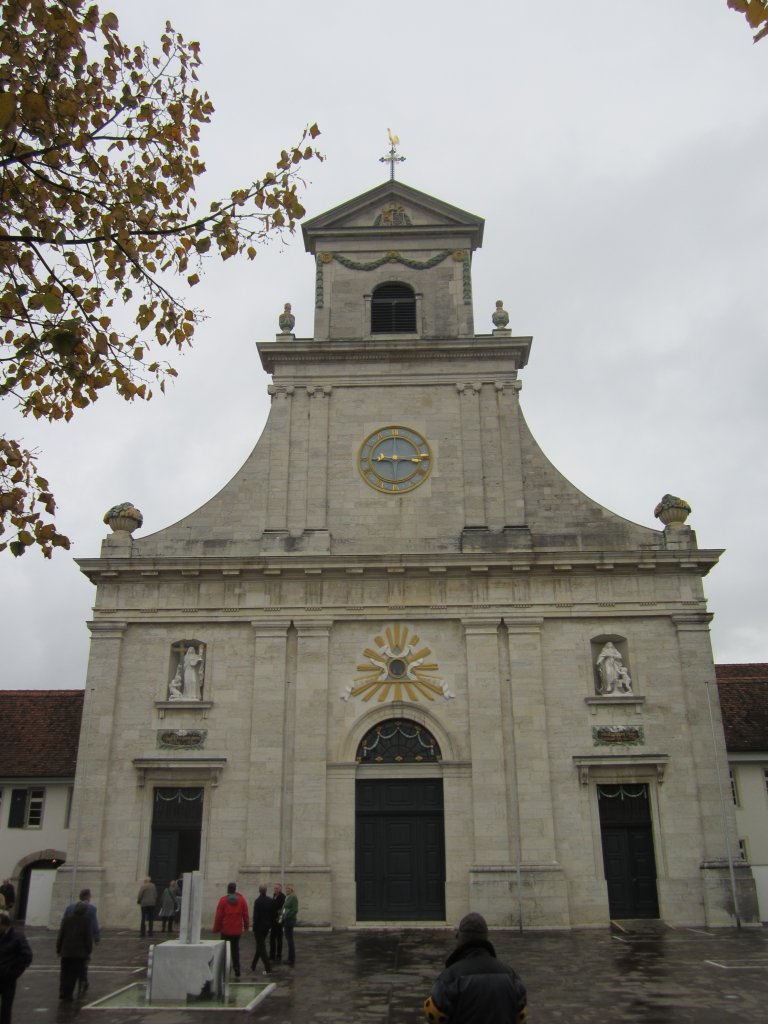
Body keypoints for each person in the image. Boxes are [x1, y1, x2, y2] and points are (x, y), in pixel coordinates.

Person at [424, 912, 527, 1024]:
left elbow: (434, 1017)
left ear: (460, 938)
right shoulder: (511, 975)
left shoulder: (450, 977)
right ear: (486, 938)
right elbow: (521, 1017)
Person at [63, 889, 100, 996]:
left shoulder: (69, 908)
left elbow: (64, 923)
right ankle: (83, 981)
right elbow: (94, 924)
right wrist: (97, 938)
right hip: (83, 940)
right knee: (83, 961)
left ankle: (65, 989)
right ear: (88, 897)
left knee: (67, 965)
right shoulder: (91, 909)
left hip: (68, 941)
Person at [56, 901, 93, 1003]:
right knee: (73, 974)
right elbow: (88, 939)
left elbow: (61, 936)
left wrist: (58, 949)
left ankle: (62, 991)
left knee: (64, 973)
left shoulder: (66, 920)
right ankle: (68, 994)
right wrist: (88, 952)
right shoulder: (86, 921)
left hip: (66, 951)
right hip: (79, 953)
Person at [0, 910, 32, 1024]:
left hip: (8, 978)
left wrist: (14, 972)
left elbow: (26, 957)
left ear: (4, 925)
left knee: (6, 1008)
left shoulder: (17, 938)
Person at [213, 882, 249, 978]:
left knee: (225, 950)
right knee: (235, 949)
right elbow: (245, 914)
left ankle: (226, 969)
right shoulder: (241, 900)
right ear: (235, 889)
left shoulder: (223, 900)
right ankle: (236, 967)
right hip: (237, 930)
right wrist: (246, 926)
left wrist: (216, 928)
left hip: (226, 929)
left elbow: (219, 916)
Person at [250, 884, 274, 975]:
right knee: (260, 945)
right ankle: (253, 964)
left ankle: (268, 968)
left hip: (259, 927)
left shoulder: (257, 901)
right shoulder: (270, 900)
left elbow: (255, 916)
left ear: (259, 891)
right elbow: (272, 914)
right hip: (266, 927)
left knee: (261, 947)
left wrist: (254, 926)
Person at [282, 883, 298, 967]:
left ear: (291, 890)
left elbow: (295, 910)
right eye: (286, 889)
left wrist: (287, 915)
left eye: (288, 889)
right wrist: (282, 914)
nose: (286, 890)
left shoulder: (293, 897)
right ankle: (289, 958)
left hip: (290, 920)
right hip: (286, 919)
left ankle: (291, 959)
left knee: (290, 940)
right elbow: (285, 908)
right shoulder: (287, 898)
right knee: (288, 939)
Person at [269, 883, 286, 963]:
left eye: (277, 888)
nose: (275, 890)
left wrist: (280, 920)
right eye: (275, 888)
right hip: (273, 921)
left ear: (280, 889)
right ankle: (272, 954)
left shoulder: (283, 897)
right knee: (272, 938)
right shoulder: (274, 896)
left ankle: (278, 955)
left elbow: (282, 909)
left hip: (279, 921)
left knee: (279, 939)